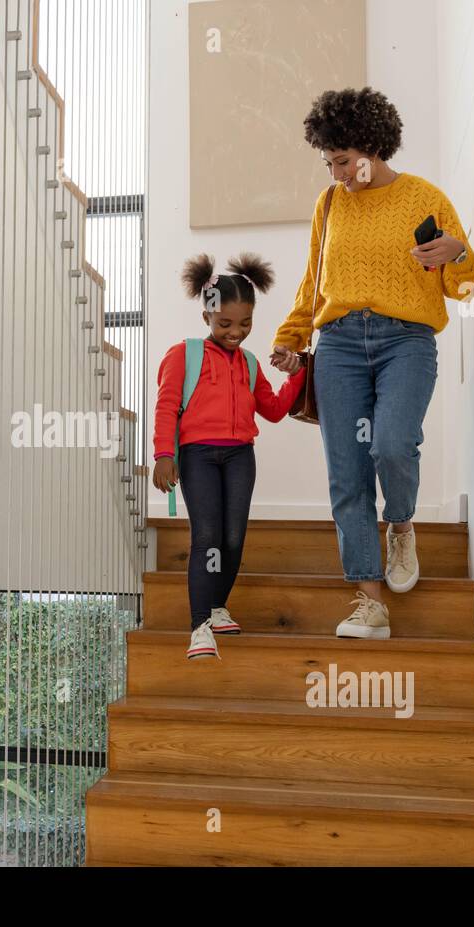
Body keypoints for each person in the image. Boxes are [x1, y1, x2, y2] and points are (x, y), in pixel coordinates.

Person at [271, 87, 474, 639]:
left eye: (343, 161)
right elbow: (313, 278)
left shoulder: (422, 198)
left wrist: (457, 252)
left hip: (405, 341)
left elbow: (462, 287)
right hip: (338, 344)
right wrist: (293, 337)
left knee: (392, 442)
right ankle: (369, 601)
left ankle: (402, 525)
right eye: (329, 162)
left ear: (372, 146)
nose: (337, 173)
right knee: (348, 473)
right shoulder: (330, 204)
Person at [154, 253, 307, 659]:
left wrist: (299, 374)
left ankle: (219, 606)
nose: (235, 332)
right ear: (207, 316)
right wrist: (163, 455)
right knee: (207, 537)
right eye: (225, 324)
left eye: (245, 324)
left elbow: (273, 410)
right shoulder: (182, 356)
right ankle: (199, 626)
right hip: (197, 456)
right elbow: (167, 406)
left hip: (240, 455)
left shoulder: (250, 363)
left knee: (233, 537)